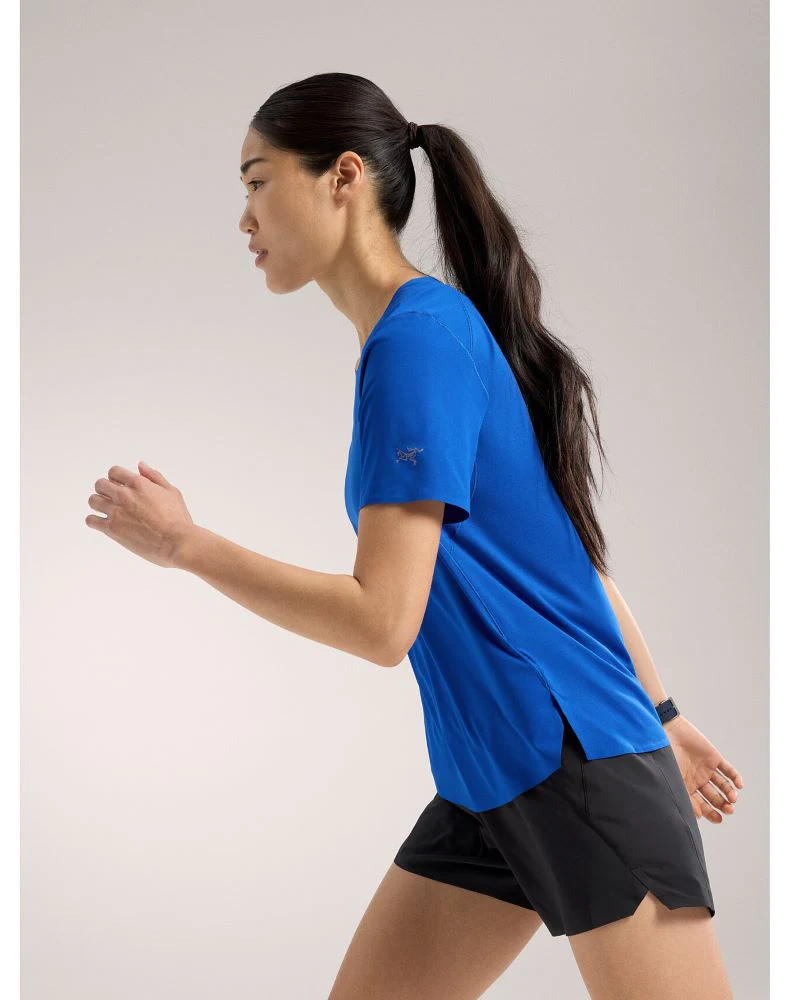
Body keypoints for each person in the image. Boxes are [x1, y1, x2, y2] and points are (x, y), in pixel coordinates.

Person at [84, 72, 742, 999]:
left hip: (571, 764)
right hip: (493, 773)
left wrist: (186, 546)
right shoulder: (420, 333)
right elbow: (563, 559)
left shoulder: (416, 344)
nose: (244, 217)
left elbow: (381, 622)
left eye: (258, 181)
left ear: (343, 176)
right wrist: (663, 715)